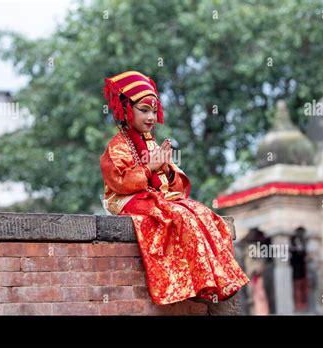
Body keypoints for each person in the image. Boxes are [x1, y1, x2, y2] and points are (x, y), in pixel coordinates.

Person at [100, 70, 249, 305]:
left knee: (203, 213)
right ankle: (195, 283)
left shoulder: (151, 142)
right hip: (126, 199)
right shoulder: (117, 146)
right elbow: (119, 182)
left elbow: (175, 184)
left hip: (156, 196)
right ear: (128, 110)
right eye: (144, 110)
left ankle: (217, 280)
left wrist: (167, 169)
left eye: (153, 110)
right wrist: (150, 168)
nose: (151, 117)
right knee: (178, 215)